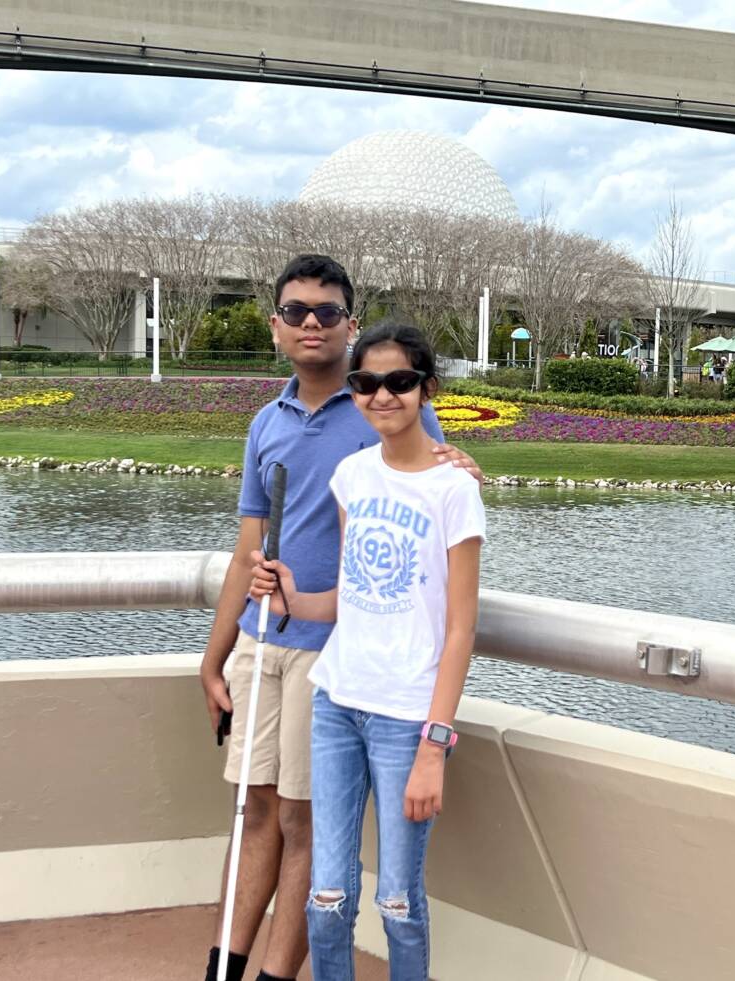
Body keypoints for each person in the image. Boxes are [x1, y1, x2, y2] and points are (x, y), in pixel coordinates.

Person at [200, 255, 480, 981]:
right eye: (296, 311)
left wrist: (467, 467)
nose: (312, 323)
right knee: (256, 809)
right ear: (276, 327)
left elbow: (439, 476)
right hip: (268, 643)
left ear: (350, 325)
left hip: (339, 662)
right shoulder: (267, 423)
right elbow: (246, 552)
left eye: (327, 312)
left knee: (305, 824)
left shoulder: (388, 414)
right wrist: (214, 656)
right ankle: (224, 967)